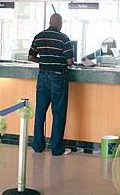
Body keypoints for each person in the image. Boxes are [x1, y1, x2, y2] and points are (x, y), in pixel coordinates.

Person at [28, 13, 74, 156]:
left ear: (49, 22)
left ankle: (37, 146)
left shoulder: (39, 36)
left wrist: (43, 61)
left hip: (42, 76)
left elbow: (30, 57)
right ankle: (56, 148)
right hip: (58, 77)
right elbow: (70, 62)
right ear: (60, 23)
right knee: (58, 113)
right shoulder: (64, 38)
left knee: (40, 111)